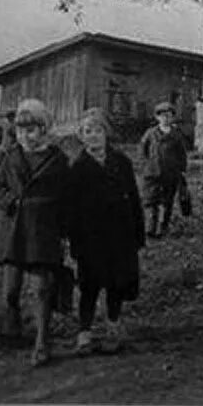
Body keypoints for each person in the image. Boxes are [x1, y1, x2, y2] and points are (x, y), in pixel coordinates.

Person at [0, 99, 71, 367]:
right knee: (10, 291)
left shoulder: (58, 160)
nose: (27, 135)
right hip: (14, 230)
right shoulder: (10, 155)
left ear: (45, 129)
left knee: (41, 289)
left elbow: (67, 196)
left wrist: (63, 230)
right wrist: (9, 202)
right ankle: (12, 315)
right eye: (21, 130)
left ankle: (41, 340)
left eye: (32, 129)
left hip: (43, 231)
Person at [68, 108, 144, 355]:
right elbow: (71, 211)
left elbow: (133, 200)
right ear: (81, 135)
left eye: (98, 130)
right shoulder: (77, 168)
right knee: (89, 286)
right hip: (90, 239)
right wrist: (75, 242)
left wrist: (137, 235)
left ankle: (112, 325)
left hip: (119, 237)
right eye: (87, 131)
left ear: (106, 133)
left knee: (116, 284)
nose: (93, 136)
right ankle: (85, 332)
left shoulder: (121, 163)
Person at [138, 102, 188, 238]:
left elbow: (182, 153)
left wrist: (182, 169)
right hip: (152, 173)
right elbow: (142, 151)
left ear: (172, 118)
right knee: (151, 200)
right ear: (157, 117)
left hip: (170, 173)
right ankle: (150, 227)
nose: (166, 118)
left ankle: (162, 227)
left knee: (167, 201)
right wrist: (146, 166)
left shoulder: (176, 134)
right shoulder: (150, 133)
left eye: (169, 115)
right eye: (162, 116)